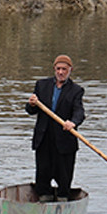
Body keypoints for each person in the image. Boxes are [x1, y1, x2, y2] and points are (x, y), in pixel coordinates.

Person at [26, 54, 84, 201]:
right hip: (44, 138)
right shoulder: (41, 85)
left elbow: (79, 112)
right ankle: (44, 198)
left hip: (64, 140)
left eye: (64, 69)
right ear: (54, 69)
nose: (61, 72)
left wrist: (73, 123)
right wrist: (32, 103)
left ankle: (63, 199)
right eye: (58, 69)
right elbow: (30, 110)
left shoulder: (76, 90)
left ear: (70, 70)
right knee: (43, 171)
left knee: (64, 174)